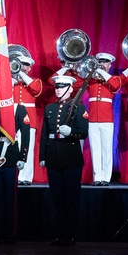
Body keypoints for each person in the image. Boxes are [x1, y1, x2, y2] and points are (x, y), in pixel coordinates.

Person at [39, 74, 90, 246]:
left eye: (62, 86)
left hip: (70, 157)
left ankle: (71, 234)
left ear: (70, 89)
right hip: (53, 156)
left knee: (71, 198)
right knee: (57, 199)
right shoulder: (49, 108)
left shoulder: (79, 108)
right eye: (56, 86)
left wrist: (72, 132)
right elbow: (45, 134)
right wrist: (42, 156)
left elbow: (83, 132)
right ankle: (59, 233)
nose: (58, 89)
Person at [0, 103, 31, 243]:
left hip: (11, 155)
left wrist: (22, 157)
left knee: (10, 199)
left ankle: (9, 234)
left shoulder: (18, 109)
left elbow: (26, 133)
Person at [85, 52, 122, 186]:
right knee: (95, 148)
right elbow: (78, 84)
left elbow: (116, 86)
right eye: (100, 62)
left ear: (110, 64)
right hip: (93, 118)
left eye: (105, 62)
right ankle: (97, 177)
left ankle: (106, 178)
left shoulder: (113, 79)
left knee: (107, 148)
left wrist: (103, 72)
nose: (102, 64)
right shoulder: (91, 80)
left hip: (107, 119)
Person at [12, 52, 43, 185]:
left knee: (27, 148)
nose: (23, 67)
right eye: (20, 64)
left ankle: (26, 177)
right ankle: (15, 175)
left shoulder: (35, 81)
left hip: (28, 119)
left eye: (26, 65)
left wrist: (22, 74)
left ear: (29, 68)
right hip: (13, 117)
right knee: (13, 147)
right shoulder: (13, 82)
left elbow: (36, 90)